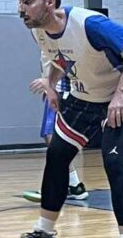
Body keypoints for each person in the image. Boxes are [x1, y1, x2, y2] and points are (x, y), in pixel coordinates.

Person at [7, 0, 123, 238]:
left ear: (50, 2)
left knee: (114, 162)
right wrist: (51, 83)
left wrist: (121, 94)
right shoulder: (39, 31)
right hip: (85, 95)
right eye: (19, 2)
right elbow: (61, 59)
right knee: (57, 155)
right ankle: (45, 237)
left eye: (27, 2)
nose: (20, 9)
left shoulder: (89, 24)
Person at [21, 52, 89, 205]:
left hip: (60, 91)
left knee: (54, 138)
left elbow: (66, 59)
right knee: (52, 138)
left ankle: (55, 187)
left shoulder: (59, 40)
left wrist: (50, 83)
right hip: (54, 89)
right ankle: (74, 185)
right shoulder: (43, 40)